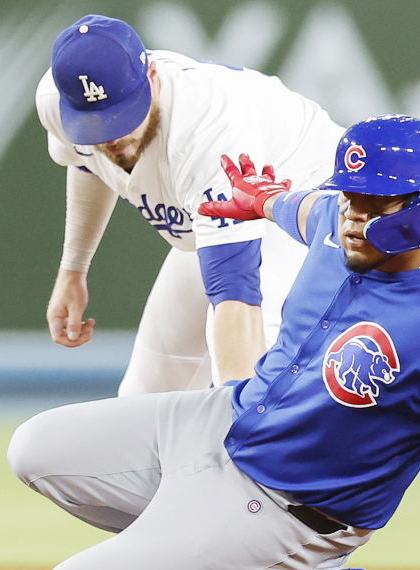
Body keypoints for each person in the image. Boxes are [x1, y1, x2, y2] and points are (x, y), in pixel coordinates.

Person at [7, 115, 420, 570]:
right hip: (221, 423)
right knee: (32, 448)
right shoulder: (336, 223)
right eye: (350, 198)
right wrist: (260, 200)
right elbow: (303, 208)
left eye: (376, 204)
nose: (355, 217)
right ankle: (202, 567)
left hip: (288, 511)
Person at [35, 14, 344, 393]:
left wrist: (239, 421)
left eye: (120, 115)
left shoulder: (208, 131)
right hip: (212, 217)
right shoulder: (58, 103)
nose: (111, 135)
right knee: (142, 398)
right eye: (97, 124)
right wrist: (73, 269)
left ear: (152, 78)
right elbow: (87, 164)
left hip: (302, 205)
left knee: (246, 371)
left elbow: (236, 290)